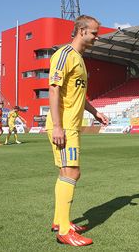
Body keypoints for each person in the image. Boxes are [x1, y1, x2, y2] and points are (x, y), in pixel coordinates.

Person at [45, 15, 109, 246]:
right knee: (72, 172)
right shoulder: (63, 55)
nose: (96, 36)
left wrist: (94, 112)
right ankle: (64, 231)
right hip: (64, 126)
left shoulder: (79, 59)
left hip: (72, 125)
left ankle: (59, 220)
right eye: (93, 32)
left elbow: (78, 95)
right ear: (81, 30)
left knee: (67, 173)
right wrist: (58, 126)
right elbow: (53, 90)